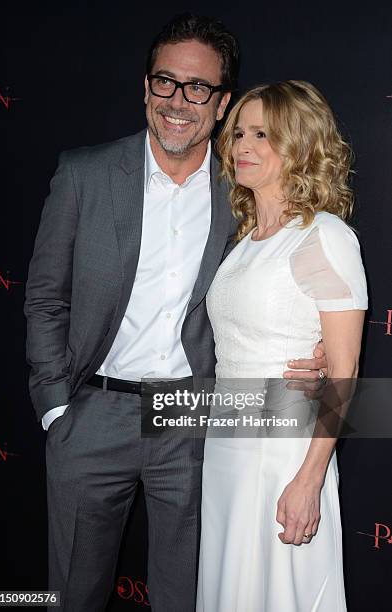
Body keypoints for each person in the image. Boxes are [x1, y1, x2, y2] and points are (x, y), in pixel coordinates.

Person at [23, 14, 328, 612]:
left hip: (192, 420)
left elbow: (284, 276)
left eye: (198, 88)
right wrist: (56, 408)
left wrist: (320, 349)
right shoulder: (84, 174)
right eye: (165, 82)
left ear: (222, 105)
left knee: (185, 596)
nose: (178, 101)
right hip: (92, 414)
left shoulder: (241, 190)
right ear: (145, 89)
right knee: (69, 596)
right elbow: (44, 297)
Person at [196, 80, 368, 611]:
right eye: (240, 132)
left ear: (298, 143)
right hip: (227, 450)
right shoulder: (245, 239)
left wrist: (310, 478)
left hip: (284, 453)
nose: (242, 145)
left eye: (263, 134)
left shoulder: (324, 236)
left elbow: (344, 371)